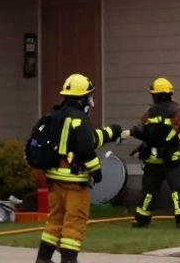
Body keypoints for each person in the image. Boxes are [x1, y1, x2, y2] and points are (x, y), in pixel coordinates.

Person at [37, 73, 122, 263]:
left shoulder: (55, 115)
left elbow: (88, 139)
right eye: (89, 96)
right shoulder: (79, 118)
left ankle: (43, 259)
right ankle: (69, 260)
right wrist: (96, 170)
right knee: (74, 221)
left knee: (55, 219)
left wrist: (111, 132)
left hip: (54, 179)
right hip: (74, 181)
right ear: (83, 97)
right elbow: (85, 147)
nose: (91, 101)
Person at [130, 77, 180, 229]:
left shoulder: (149, 112)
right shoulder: (178, 112)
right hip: (172, 160)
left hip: (152, 161)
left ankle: (142, 220)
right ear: (170, 94)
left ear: (155, 95)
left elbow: (140, 131)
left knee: (149, 191)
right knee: (178, 190)